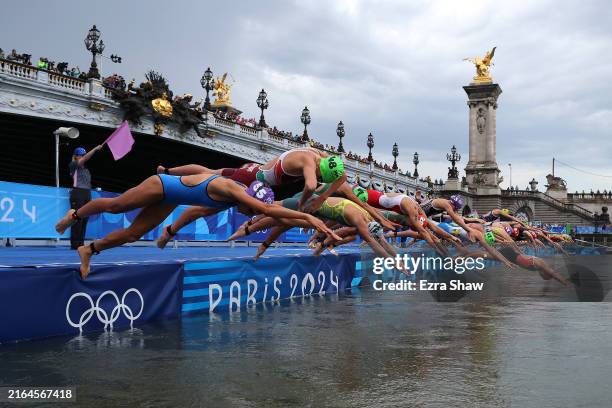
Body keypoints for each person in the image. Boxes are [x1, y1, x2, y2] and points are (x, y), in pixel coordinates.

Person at [55, 176, 340, 278]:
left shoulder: (238, 198)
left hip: (169, 198)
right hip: (161, 186)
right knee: (117, 206)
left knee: (133, 234)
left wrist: (304, 220)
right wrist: (312, 218)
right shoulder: (232, 189)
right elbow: (267, 211)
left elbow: (276, 215)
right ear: (250, 199)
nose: (248, 215)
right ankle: (76, 214)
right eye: (250, 210)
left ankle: (89, 250)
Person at [68, 145, 103, 250]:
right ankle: (75, 244)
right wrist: (95, 149)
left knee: (85, 218)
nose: (82, 157)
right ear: (76, 156)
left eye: (83, 155)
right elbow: (87, 158)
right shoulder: (73, 164)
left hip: (87, 193)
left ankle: (80, 243)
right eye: (81, 155)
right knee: (77, 218)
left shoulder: (86, 169)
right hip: (78, 192)